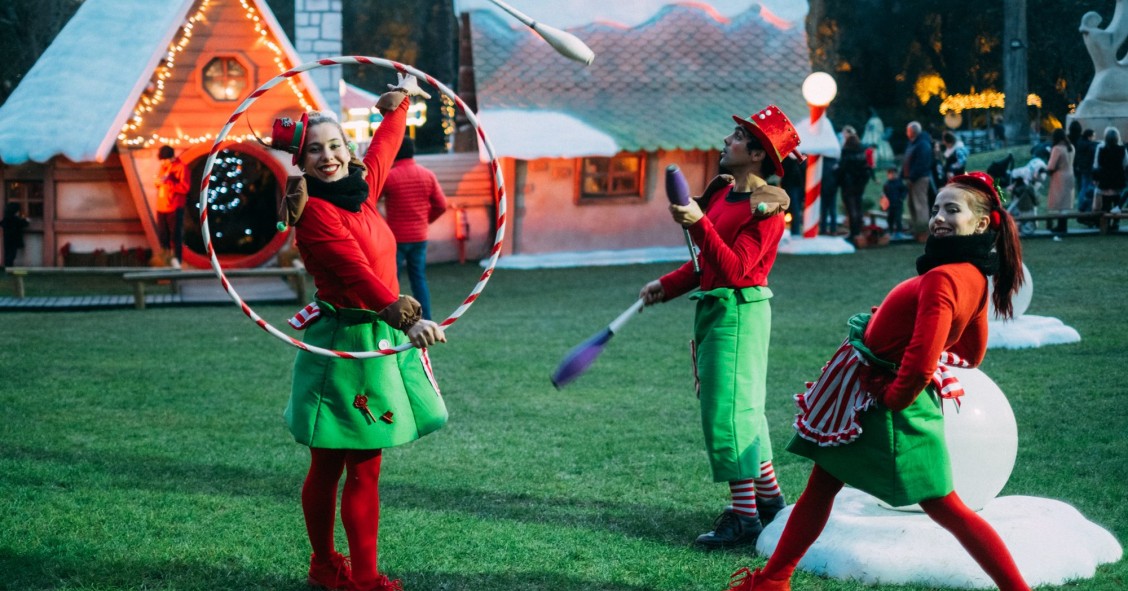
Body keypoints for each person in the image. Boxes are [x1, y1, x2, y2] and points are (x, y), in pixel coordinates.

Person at [722, 171, 1030, 591]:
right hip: (879, 399)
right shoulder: (974, 276)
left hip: (883, 406)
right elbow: (971, 353)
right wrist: (892, 327)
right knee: (823, 486)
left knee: (946, 507)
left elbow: (922, 364)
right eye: (937, 208)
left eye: (951, 210)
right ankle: (773, 580)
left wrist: (891, 393)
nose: (938, 217)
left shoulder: (943, 277)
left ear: (982, 223)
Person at [266, 74, 444, 591]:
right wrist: (409, 317)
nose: (329, 157)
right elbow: (356, 274)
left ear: (348, 148)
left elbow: (386, 144)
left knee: (363, 466)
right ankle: (341, 572)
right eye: (315, 150)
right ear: (299, 162)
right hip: (344, 344)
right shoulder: (315, 214)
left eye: (336, 145)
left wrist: (401, 99)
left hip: (375, 340)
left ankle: (347, 572)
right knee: (332, 463)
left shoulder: (360, 191)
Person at [639, 105, 801, 549]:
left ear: (757, 154)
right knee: (741, 410)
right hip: (716, 310)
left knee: (728, 414)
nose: (726, 141)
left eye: (736, 137)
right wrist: (667, 285)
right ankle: (768, 500)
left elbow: (738, 271)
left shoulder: (766, 206)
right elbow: (706, 263)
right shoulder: (722, 194)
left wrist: (699, 223)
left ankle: (745, 517)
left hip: (739, 312)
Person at [380, 136, 448, 320]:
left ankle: (390, 320)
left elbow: (369, 203)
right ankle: (427, 320)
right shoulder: (427, 174)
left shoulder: (390, 177)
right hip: (419, 237)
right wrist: (426, 220)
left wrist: (381, 224)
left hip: (395, 238)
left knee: (391, 282)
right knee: (418, 279)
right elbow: (441, 205)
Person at [154, 145, 190, 268]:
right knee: (163, 235)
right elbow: (159, 183)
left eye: (165, 159)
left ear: (171, 157)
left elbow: (185, 188)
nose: (163, 162)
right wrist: (158, 183)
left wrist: (169, 183)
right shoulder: (163, 167)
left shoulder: (181, 167)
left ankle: (177, 262)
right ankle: (165, 260)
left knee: (175, 236)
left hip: (174, 206)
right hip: (162, 206)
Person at [835, 130, 872, 240]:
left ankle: (854, 232)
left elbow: (842, 168)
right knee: (858, 206)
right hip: (860, 185)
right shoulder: (862, 152)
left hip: (848, 185)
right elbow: (866, 169)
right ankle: (858, 230)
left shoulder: (846, 152)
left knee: (851, 209)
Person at [1092, 126, 1128, 230]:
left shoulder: (1101, 149)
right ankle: (1115, 223)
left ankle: (1105, 223)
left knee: (1106, 202)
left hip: (1105, 178)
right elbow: (1126, 164)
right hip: (1118, 178)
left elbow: (1096, 164)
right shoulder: (1122, 149)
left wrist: (1095, 177)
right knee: (1117, 201)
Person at [902, 121, 934, 239]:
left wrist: (912, 177)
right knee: (911, 204)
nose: (906, 132)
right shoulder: (912, 143)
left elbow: (922, 163)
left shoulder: (922, 144)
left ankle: (923, 229)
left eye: (907, 130)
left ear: (912, 131)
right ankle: (916, 228)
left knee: (920, 204)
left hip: (919, 179)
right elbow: (907, 160)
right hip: (911, 179)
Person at [1045, 127, 1076, 237]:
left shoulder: (1057, 149)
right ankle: (1063, 226)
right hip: (1070, 175)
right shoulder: (1071, 147)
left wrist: (1046, 169)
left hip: (1060, 177)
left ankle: (1060, 226)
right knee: (1066, 202)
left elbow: (1051, 165)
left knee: (1060, 202)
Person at [1075, 128, 1098, 213]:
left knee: (1083, 187)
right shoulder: (1090, 146)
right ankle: (1086, 205)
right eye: (1093, 136)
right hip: (1089, 169)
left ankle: (1081, 205)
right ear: (1089, 137)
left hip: (1083, 169)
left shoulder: (1081, 144)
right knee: (1089, 188)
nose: (1094, 138)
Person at [880, 166, 907, 239]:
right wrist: (883, 203)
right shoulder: (887, 184)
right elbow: (884, 194)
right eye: (889, 173)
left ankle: (899, 232)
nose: (891, 175)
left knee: (898, 219)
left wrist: (901, 198)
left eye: (893, 173)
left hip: (898, 204)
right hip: (890, 205)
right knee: (890, 219)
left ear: (896, 174)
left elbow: (904, 191)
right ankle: (890, 231)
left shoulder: (899, 183)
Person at [1, 202, 30, 268]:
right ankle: (9, 267)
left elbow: (2, 224)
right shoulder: (15, 219)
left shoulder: (6, 218)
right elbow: (25, 223)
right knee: (12, 255)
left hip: (7, 239)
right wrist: (26, 219)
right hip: (14, 239)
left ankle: (7, 267)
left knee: (8, 254)